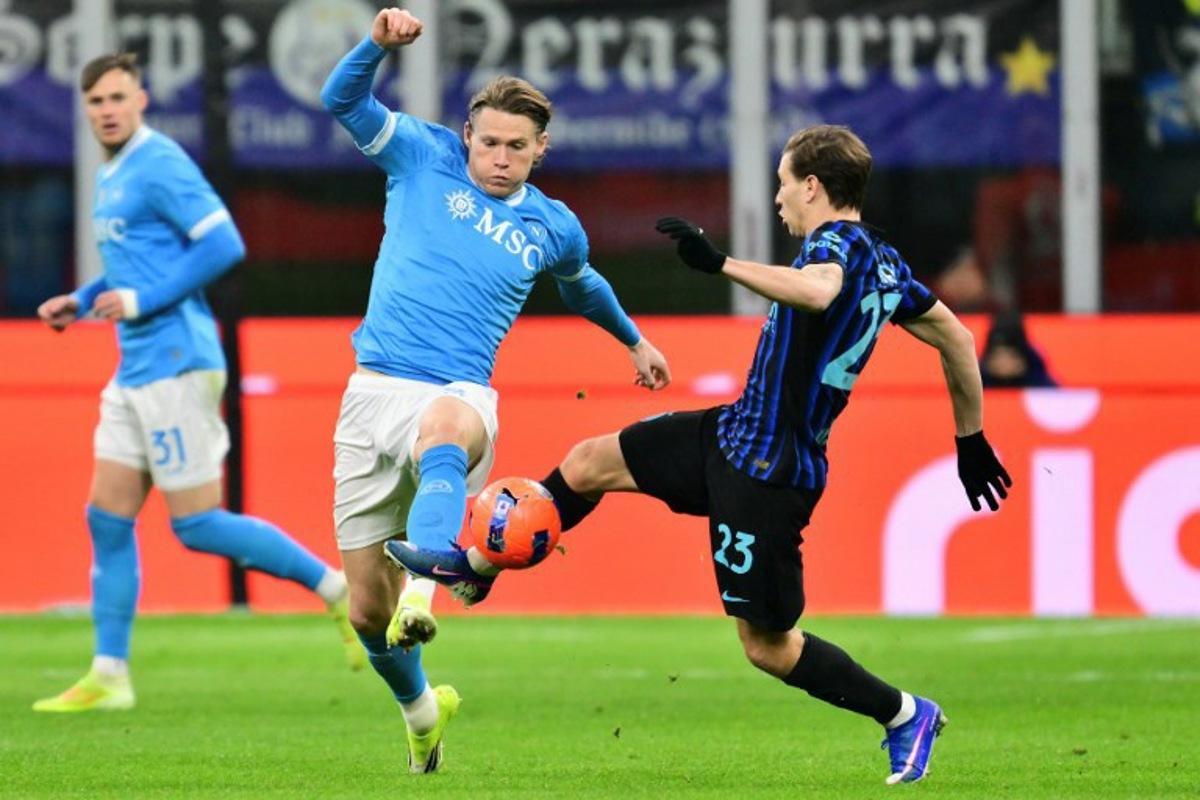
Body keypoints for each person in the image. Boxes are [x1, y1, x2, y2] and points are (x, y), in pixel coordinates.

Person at [390, 125, 1012, 785]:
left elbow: (821, 291)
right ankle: (477, 566)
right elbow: (957, 339)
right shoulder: (888, 264)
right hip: (731, 434)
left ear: (812, 186)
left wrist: (722, 265)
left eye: (782, 183)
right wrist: (969, 439)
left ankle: (905, 714)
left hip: (768, 475)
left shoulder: (835, 248)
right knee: (588, 461)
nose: (777, 200)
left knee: (767, 648)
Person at [321, 8, 670, 773]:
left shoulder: (553, 226)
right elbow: (342, 103)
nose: (501, 158)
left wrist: (633, 339)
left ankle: (428, 591)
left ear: (541, 149)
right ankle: (421, 713)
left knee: (445, 429)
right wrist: (376, 46)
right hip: (370, 393)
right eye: (490, 143)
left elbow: (583, 287)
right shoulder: (421, 155)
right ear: (468, 136)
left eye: (518, 146)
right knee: (365, 612)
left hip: (459, 392)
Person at [33, 54, 363, 714]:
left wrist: (140, 301)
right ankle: (109, 674)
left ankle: (337, 589)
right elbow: (135, 265)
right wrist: (85, 295)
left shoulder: (159, 162)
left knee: (199, 525)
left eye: (118, 97)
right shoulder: (113, 172)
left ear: (141, 99)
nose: (107, 109)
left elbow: (222, 247)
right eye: (96, 99)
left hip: (179, 360)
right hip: (136, 367)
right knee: (106, 517)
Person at [979, 309, 1057, 388]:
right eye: (996, 356)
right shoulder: (979, 379)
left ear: (1023, 359)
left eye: (1011, 356)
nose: (1003, 363)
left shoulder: (1039, 379)